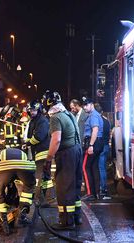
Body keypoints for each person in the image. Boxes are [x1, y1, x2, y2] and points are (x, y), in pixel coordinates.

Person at [43, 90, 82, 230]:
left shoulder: (55, 118)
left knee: (64, 187)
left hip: (66, 154)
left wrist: (48, 159)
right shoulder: (68, 114)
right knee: (75, 185)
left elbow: (56, 139)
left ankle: (66, 222)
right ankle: (77, 217)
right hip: (77, 150)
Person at [0, 147, 36, 235]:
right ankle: (21, 218)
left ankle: (3, 224)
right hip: (25, 167)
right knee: (29, 188)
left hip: (6, 168)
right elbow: (21, 173)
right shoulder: (22, 153)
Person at [24, 100, 53, 207]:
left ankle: (37, 198)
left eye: (34, 110)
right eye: (30, 110)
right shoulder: (34, 120)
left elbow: (39, 136)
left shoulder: (42, 121)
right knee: (46, 177)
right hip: (40, 152)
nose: (32, 112)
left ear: (39, 110)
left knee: (38, 176)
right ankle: (48, 199)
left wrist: (29, 142)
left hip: (43, 153)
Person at [81, 97, 104, 201]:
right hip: (97, 143)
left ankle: (90, 193)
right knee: (94, 167)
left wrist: (90, 145)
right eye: (83, 105)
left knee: (85, 167)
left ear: (92, 105)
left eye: (86, 105)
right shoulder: (96, 115)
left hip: (93, 142)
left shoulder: (93, 115)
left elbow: (95, 130)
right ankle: (96, 193)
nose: (84, 107)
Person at [95, 103, 111, 198]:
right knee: (103, 168)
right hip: (106, 146)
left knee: (99, 168)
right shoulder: (106, 121)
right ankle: (103, 187)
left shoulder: (97, 121)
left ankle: (102, 187)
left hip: (100, 146)